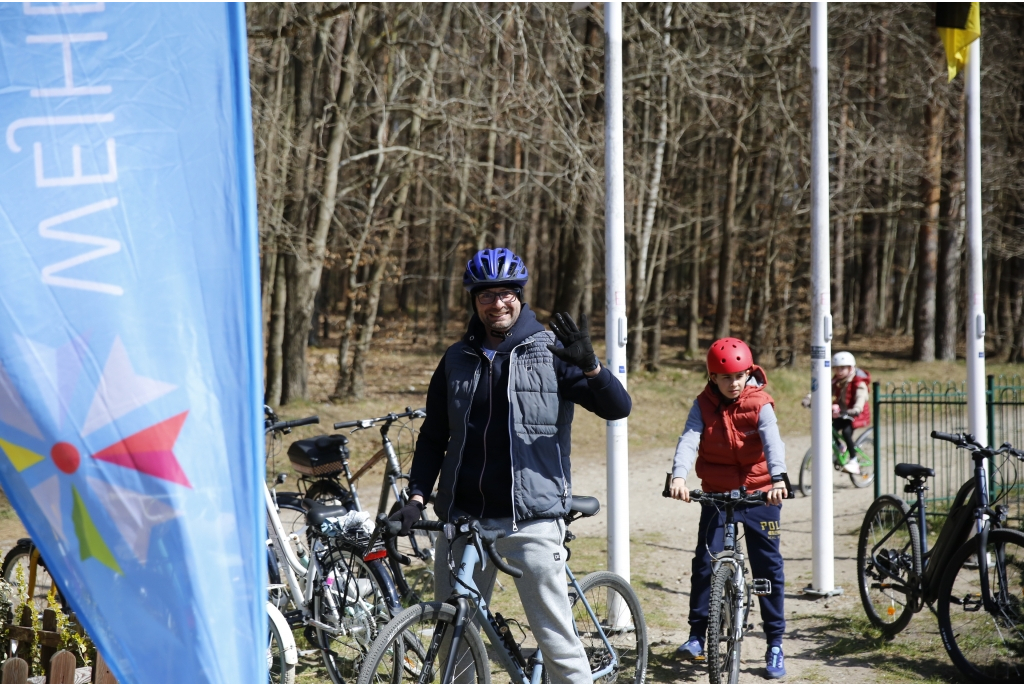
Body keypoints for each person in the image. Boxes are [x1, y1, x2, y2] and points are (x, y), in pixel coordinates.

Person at [391, 247, 632, 684]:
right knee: (454, 640)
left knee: (556, 641)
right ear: (473, 301)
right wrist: (416, 496)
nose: (496, 303)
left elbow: (617, 408)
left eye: (505, 293)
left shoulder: (554, 353)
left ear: (519, 296)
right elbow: (433, 437)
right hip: (463, 519)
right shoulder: (456, 359)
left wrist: (592, 366)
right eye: (486, 295)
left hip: (531, 520)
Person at [668, 337, 789, 680]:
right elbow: (689, 439)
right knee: (705, 562)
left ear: (748, 373)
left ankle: (775, 643)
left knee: (768, 566)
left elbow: (772, 440)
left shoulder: (759, 403)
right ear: (712, 377)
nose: (733, 383)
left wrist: (778, 480)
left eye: (739, 375)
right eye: (725, 377)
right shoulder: (702, 405)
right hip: (718, 495)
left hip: (761, 493)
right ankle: (697, 635)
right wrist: (679, 476)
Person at [829, 351, 870, 472]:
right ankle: (840, 447)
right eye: (836, 368)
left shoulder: (858, 381)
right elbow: (822, 390)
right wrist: (810, 398)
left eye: (842, 368)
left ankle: (854, 461)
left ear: (851, 368)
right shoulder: (835, 381)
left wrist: (856, 409)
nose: (839, 371)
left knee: (847, 432)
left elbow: (861, 397)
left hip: (855, 414)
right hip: (842, 412)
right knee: (829, 429)